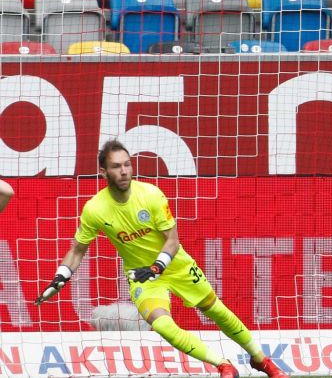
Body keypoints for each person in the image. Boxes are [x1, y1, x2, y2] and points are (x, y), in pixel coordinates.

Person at [35, 139, 289, 378]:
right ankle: (223, 364)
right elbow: (78, 250)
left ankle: (260, 359)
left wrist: (158, 266)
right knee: (162, 325)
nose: (124, 171)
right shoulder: (94, 209)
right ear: (104, 172)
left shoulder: (151, 195)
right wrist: (60, 277)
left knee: (217, 311)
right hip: (143, 278)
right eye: (116, 166)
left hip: (175, 265)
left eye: (127, 164)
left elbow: (173, 240)